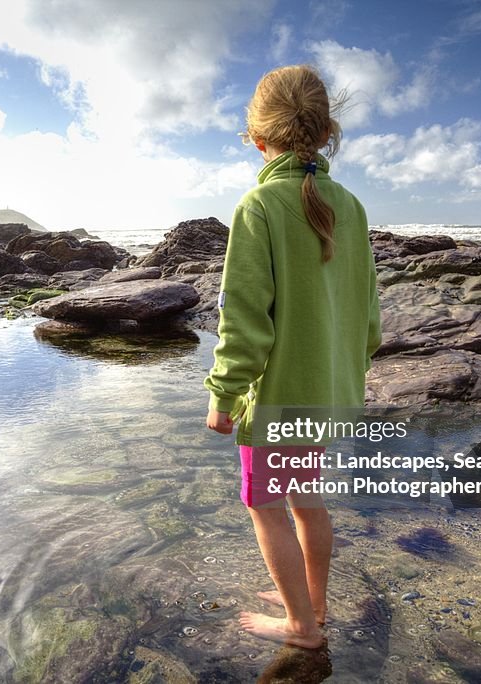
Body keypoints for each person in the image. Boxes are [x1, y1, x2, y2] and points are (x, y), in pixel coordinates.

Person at [203, 64, 382, 648]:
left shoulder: (260, 205)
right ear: (326, 130)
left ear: (258, 139)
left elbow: (246, 320)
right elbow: (371, 319)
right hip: (329, 393)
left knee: (266, 508)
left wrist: (224, 393)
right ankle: (314, 602)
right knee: (305, 498)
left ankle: (302, 625)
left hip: (280, 398)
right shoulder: (351, 205)